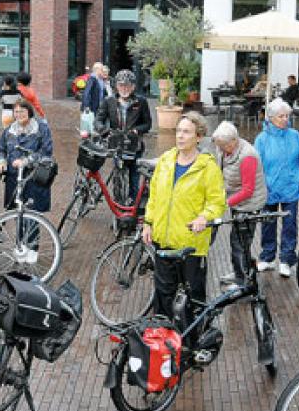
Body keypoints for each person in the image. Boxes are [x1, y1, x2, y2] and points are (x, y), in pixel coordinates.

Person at [142, 112, 226, 317]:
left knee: (193, 297)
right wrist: (148, 222)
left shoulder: (208, 167)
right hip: (163, 240)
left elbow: (217, 202)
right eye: (178, 131)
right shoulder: (166, 161)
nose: (180, 136)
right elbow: (154, 196)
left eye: (186, 132)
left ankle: (193, 335)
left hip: (191, 244)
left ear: (199, 136)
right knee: (163, 295)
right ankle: (163, 333)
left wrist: (204, 217)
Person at [254, 98, 299, 277]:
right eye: (281, 116)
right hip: (268, 188)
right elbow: (256, 164)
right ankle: (267, 257)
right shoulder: (262, 139)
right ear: (271, 118)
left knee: (289, 226)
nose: (285, 119)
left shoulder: (295, 136)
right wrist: (261, 184)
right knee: (268, 224)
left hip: (291, 187)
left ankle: (286, 260)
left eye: (287, 116)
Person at [211, 121, 267, 289]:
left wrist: (224, 203)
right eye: (219, 145)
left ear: (234, 141)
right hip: (236, 201)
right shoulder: (224, 149)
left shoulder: (248, 156)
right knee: (238, 241)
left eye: (224, 145)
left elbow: (248, 190)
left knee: (240, 243)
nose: (221, 149)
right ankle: (239, 272)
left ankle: (243, 281)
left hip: (249, 205)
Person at [94, 69, 152, 194]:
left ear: (133, 87)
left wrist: (137, 130)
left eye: (128, 85)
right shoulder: (109, 101)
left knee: (134, 178)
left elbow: (148, 124)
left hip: (134, 145)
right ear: (116, 86)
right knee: (117, 177)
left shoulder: (141, 102)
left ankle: (134, 202)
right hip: (117, 145)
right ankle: (119, 200)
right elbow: (98, 120)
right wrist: (104, 130)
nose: (124, 88)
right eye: (121, 85)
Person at [0, 99, 53, 212]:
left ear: (29, 111)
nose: (19, 114)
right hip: (14, 178)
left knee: (32, 214)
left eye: (22, 111)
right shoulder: (9, 131)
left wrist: (26, 161)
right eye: (16, 112)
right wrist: (1, 161)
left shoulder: (41, 128)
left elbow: (46, 151)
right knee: (16, 212)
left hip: (34, 178)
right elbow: (2, 149)